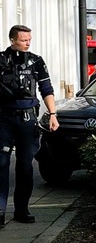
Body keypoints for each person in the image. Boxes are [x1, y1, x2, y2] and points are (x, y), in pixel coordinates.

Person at [0, 25, 59, 225]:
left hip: (27, 118)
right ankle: (0, 209)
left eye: (29, 40)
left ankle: (21, 209)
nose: (28, 43)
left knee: (25, 165)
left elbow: (46, 89)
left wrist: (53, 114)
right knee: (1, 164)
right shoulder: (1, 61)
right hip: (4, 118)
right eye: (24, 40)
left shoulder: (36, 61)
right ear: (12, 40)